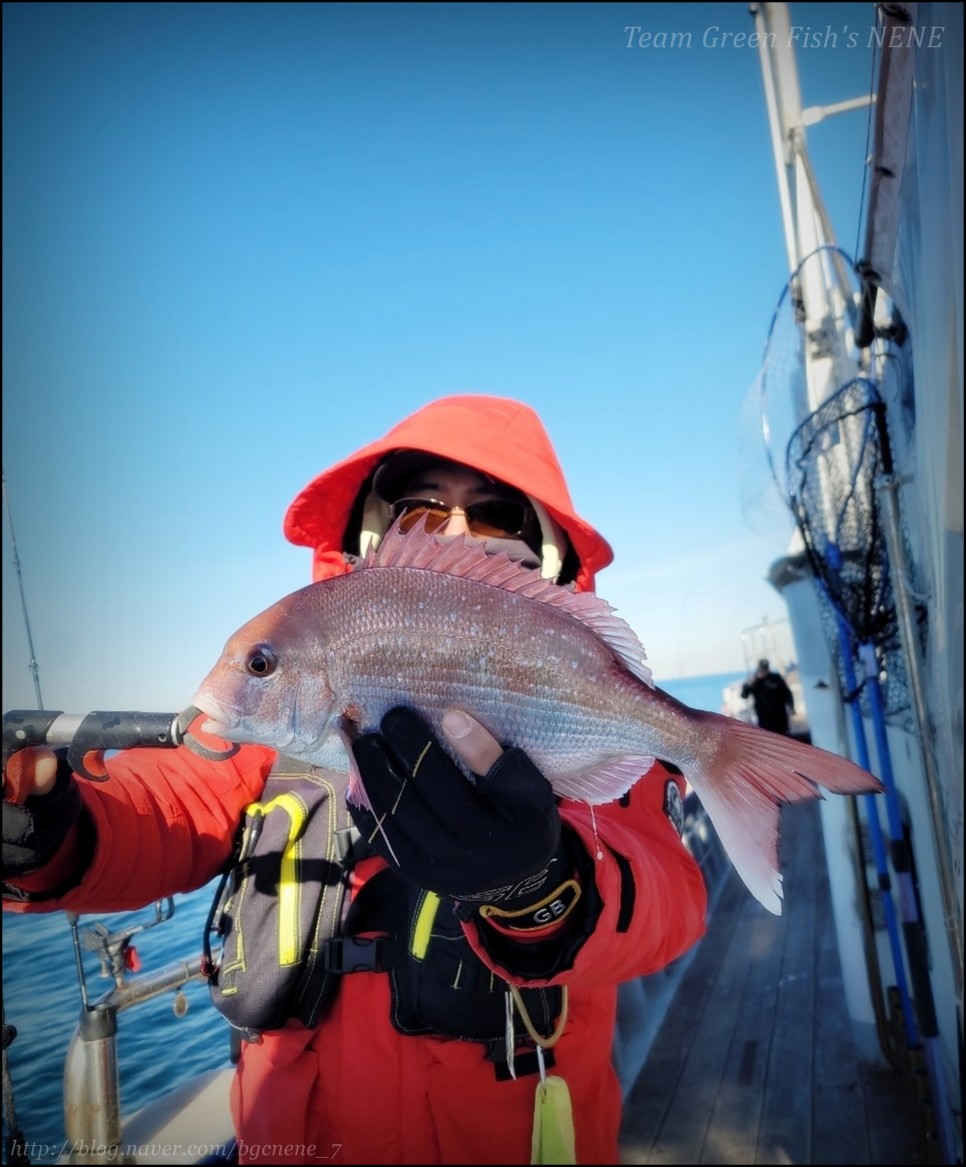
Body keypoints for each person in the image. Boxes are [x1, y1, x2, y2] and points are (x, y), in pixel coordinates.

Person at [2, 394, 708, 1166]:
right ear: (377, 534)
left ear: (546, 553)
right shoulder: (289, 718)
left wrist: (540, 884)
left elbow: (668, 896)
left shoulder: (585, 726)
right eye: (423, 511)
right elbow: (165, 803)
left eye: (499, 514)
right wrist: (52, 828)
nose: (461, 534)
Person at [740, 658, 795, 736]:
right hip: (764, 722)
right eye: (762, 669)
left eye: (765, 668)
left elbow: (787, 694)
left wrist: (792, 708)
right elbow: (744, 695)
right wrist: (750, 684)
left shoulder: (776, 678)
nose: (763, 671)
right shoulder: (755, 681)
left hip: (780, 720)